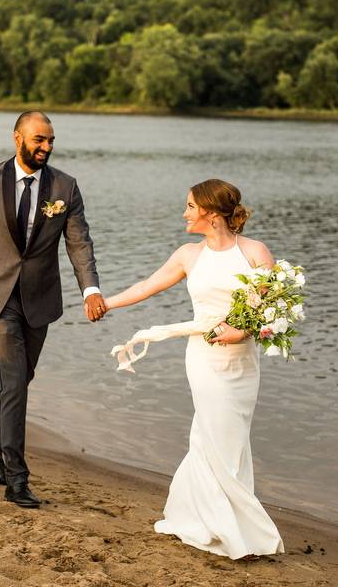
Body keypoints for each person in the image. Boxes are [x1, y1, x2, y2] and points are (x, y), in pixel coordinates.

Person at [104, 179, 284, 559]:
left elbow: (274, 309)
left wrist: (244, 329)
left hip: (243, 363)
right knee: (213, 434)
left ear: (210, 212)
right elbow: (148, 285)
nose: (184, 213)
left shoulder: (254, 252)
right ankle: (227, 528)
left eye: (190, 206)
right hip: (203, 358)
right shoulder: (189, 254)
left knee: (227, 440)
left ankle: (206, 516)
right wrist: (106, 303)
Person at [0, 111, 106, 509]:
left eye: (50, 141)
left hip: (39, 300)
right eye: (38, 140)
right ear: (17, 139)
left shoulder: (65, 185)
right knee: (13, 381)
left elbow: (79, 243)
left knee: (18, 381)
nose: (45, 147)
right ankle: (16, 477)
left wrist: (91, 289)